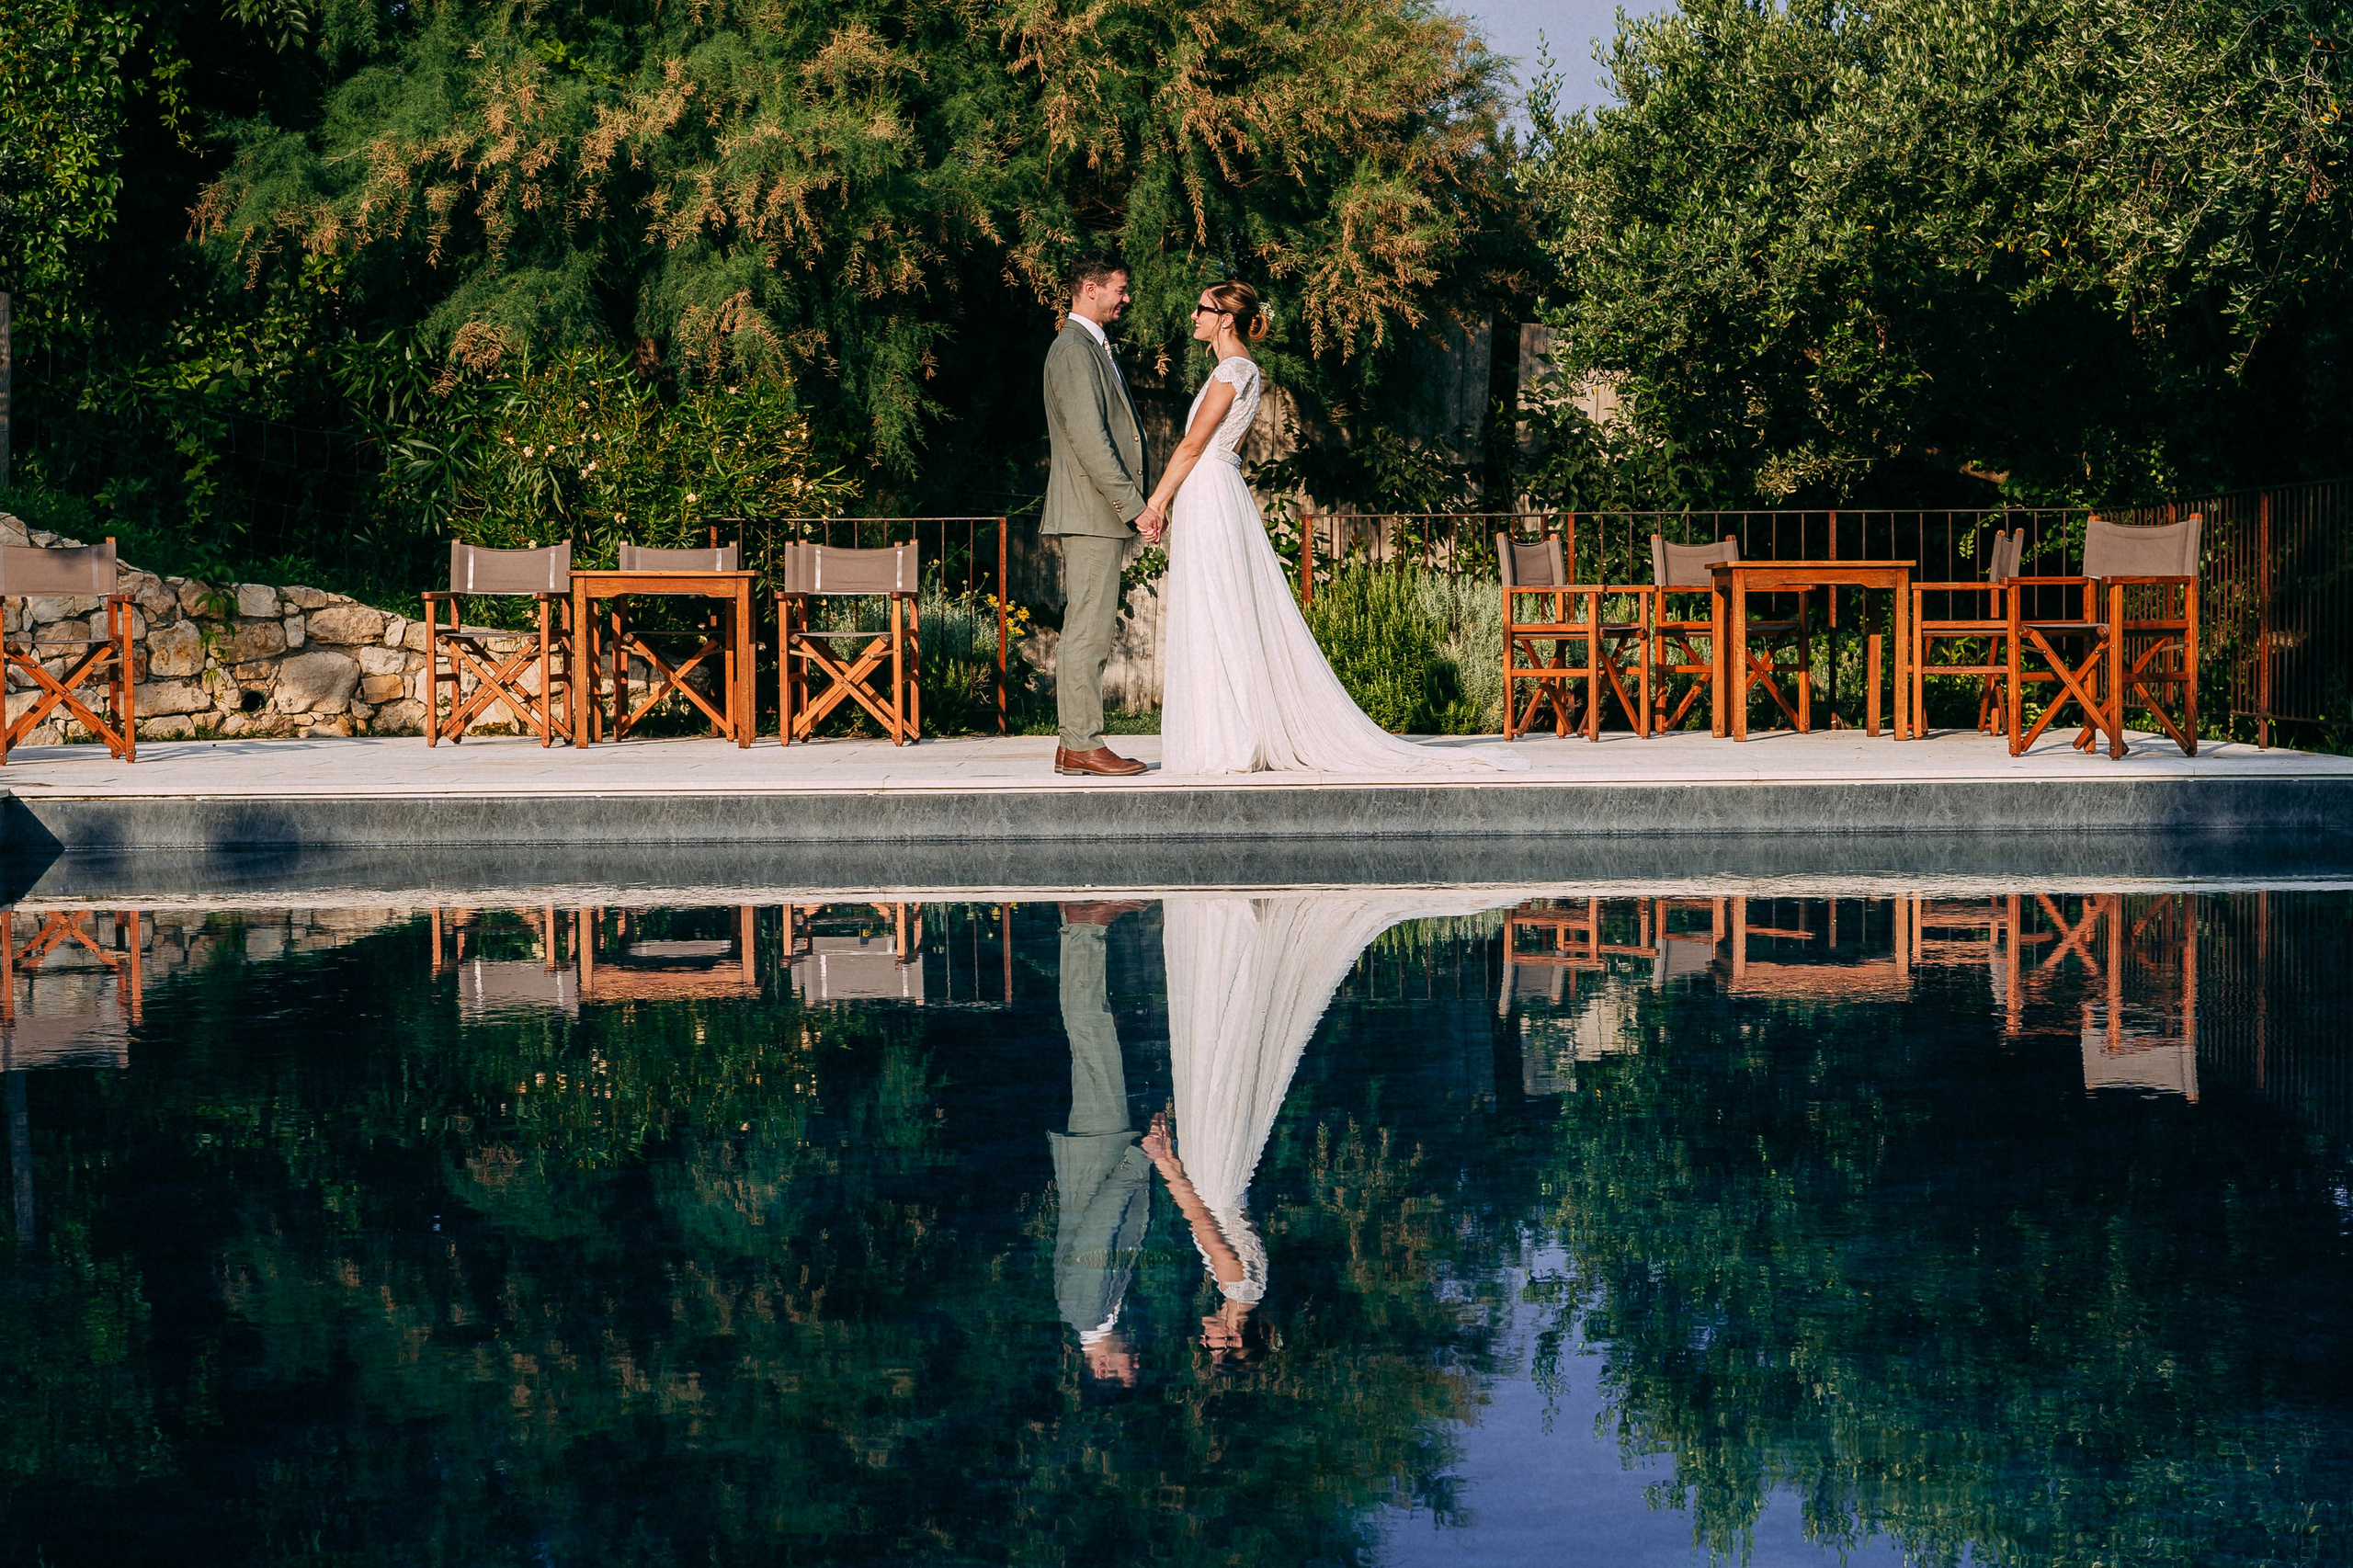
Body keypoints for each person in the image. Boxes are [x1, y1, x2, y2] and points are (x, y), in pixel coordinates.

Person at [1136, 282, 1527, 776]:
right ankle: (1224, 729)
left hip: (1210, 486)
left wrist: (1156, 502)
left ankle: (1231, 735)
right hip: (1211, 488)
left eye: (1200, 308)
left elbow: (1193, 445)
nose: (1192, 315)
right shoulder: (1235, 370)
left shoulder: (1233, 370)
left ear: (1225, 319)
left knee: (1220, 602)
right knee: (1215, 602)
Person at [1147, 892, 1506, 1369]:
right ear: (1233, 1339)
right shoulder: (1239, 1285)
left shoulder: (1243, 1287)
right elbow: (1202, 1222)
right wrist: (1166, 1165)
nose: (1202, 1338)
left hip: (1221, 1178)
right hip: (1215, 1181)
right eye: (1210, 1347)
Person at [1040, 252, 1151, 778]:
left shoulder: (1089, 347)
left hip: (1096, 513)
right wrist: (1135, 505)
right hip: (1092, 512)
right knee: (1088, 630)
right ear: (1090, 287)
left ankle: (1072, 746)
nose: (1125, 298)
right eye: (1119, 289)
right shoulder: (1072, 350)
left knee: (1090, 626)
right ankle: (1084, 742)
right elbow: (1091, 439)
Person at [1048, 900, 1153, 1385]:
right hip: (1103, 1150)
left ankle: (1084, 926)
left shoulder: (1083, 1309)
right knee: (1093, 1034)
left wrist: (1136, 1162)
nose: (1136, 1360)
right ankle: (1081, 927)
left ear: (1103, 1368)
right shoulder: (1101, 1311)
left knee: (1090, 1033)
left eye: (1129, 1370)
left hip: (1100, 1151)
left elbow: (1097, 1229)